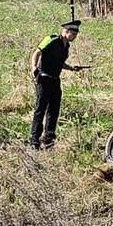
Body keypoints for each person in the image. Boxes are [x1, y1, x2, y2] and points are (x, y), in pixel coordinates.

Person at [29, 20, 83, 149]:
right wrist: (33, 68)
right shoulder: (51, 39)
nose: (74, 37)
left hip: (55, 80)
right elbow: (37, 52)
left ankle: (48, 139)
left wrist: (71, 68)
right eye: (73, 34)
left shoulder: (66, 46)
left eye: (76, 35)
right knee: (40, 109)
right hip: (44, 78)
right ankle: (34, 140)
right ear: (65, 31)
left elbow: (58, 62)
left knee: (54, 110)